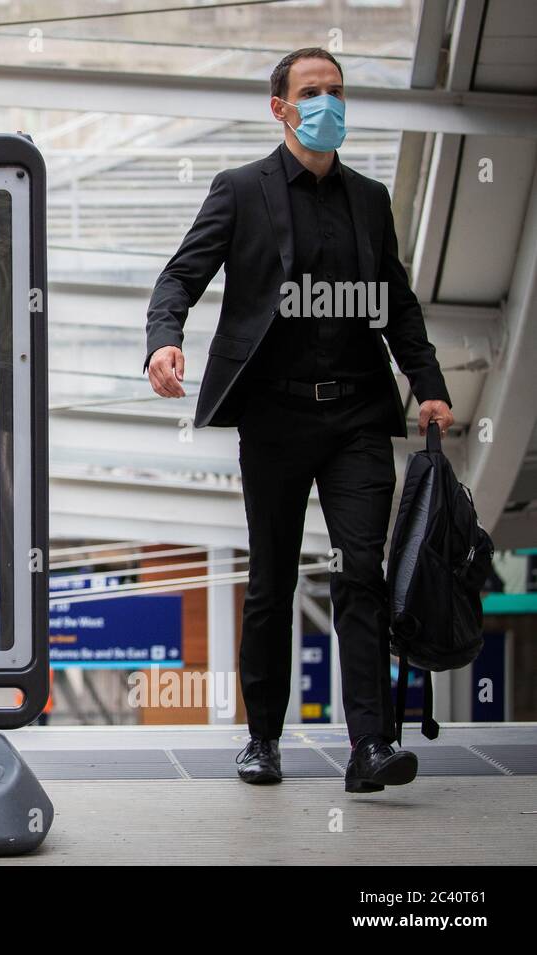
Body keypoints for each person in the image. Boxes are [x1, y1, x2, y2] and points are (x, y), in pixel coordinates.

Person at [143, 48, 454, 793]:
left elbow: (399, 305)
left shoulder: (371, 200)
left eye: (337, 91)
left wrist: (429, 383)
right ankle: (263, 739)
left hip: (356, 416)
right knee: (271, 579)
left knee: (361, 573)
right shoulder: (241, 190)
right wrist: (164, 339)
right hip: (275, 415)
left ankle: (370, 746)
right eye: (312, 92)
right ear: (279, 107)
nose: (328, 103)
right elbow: (183, 273)